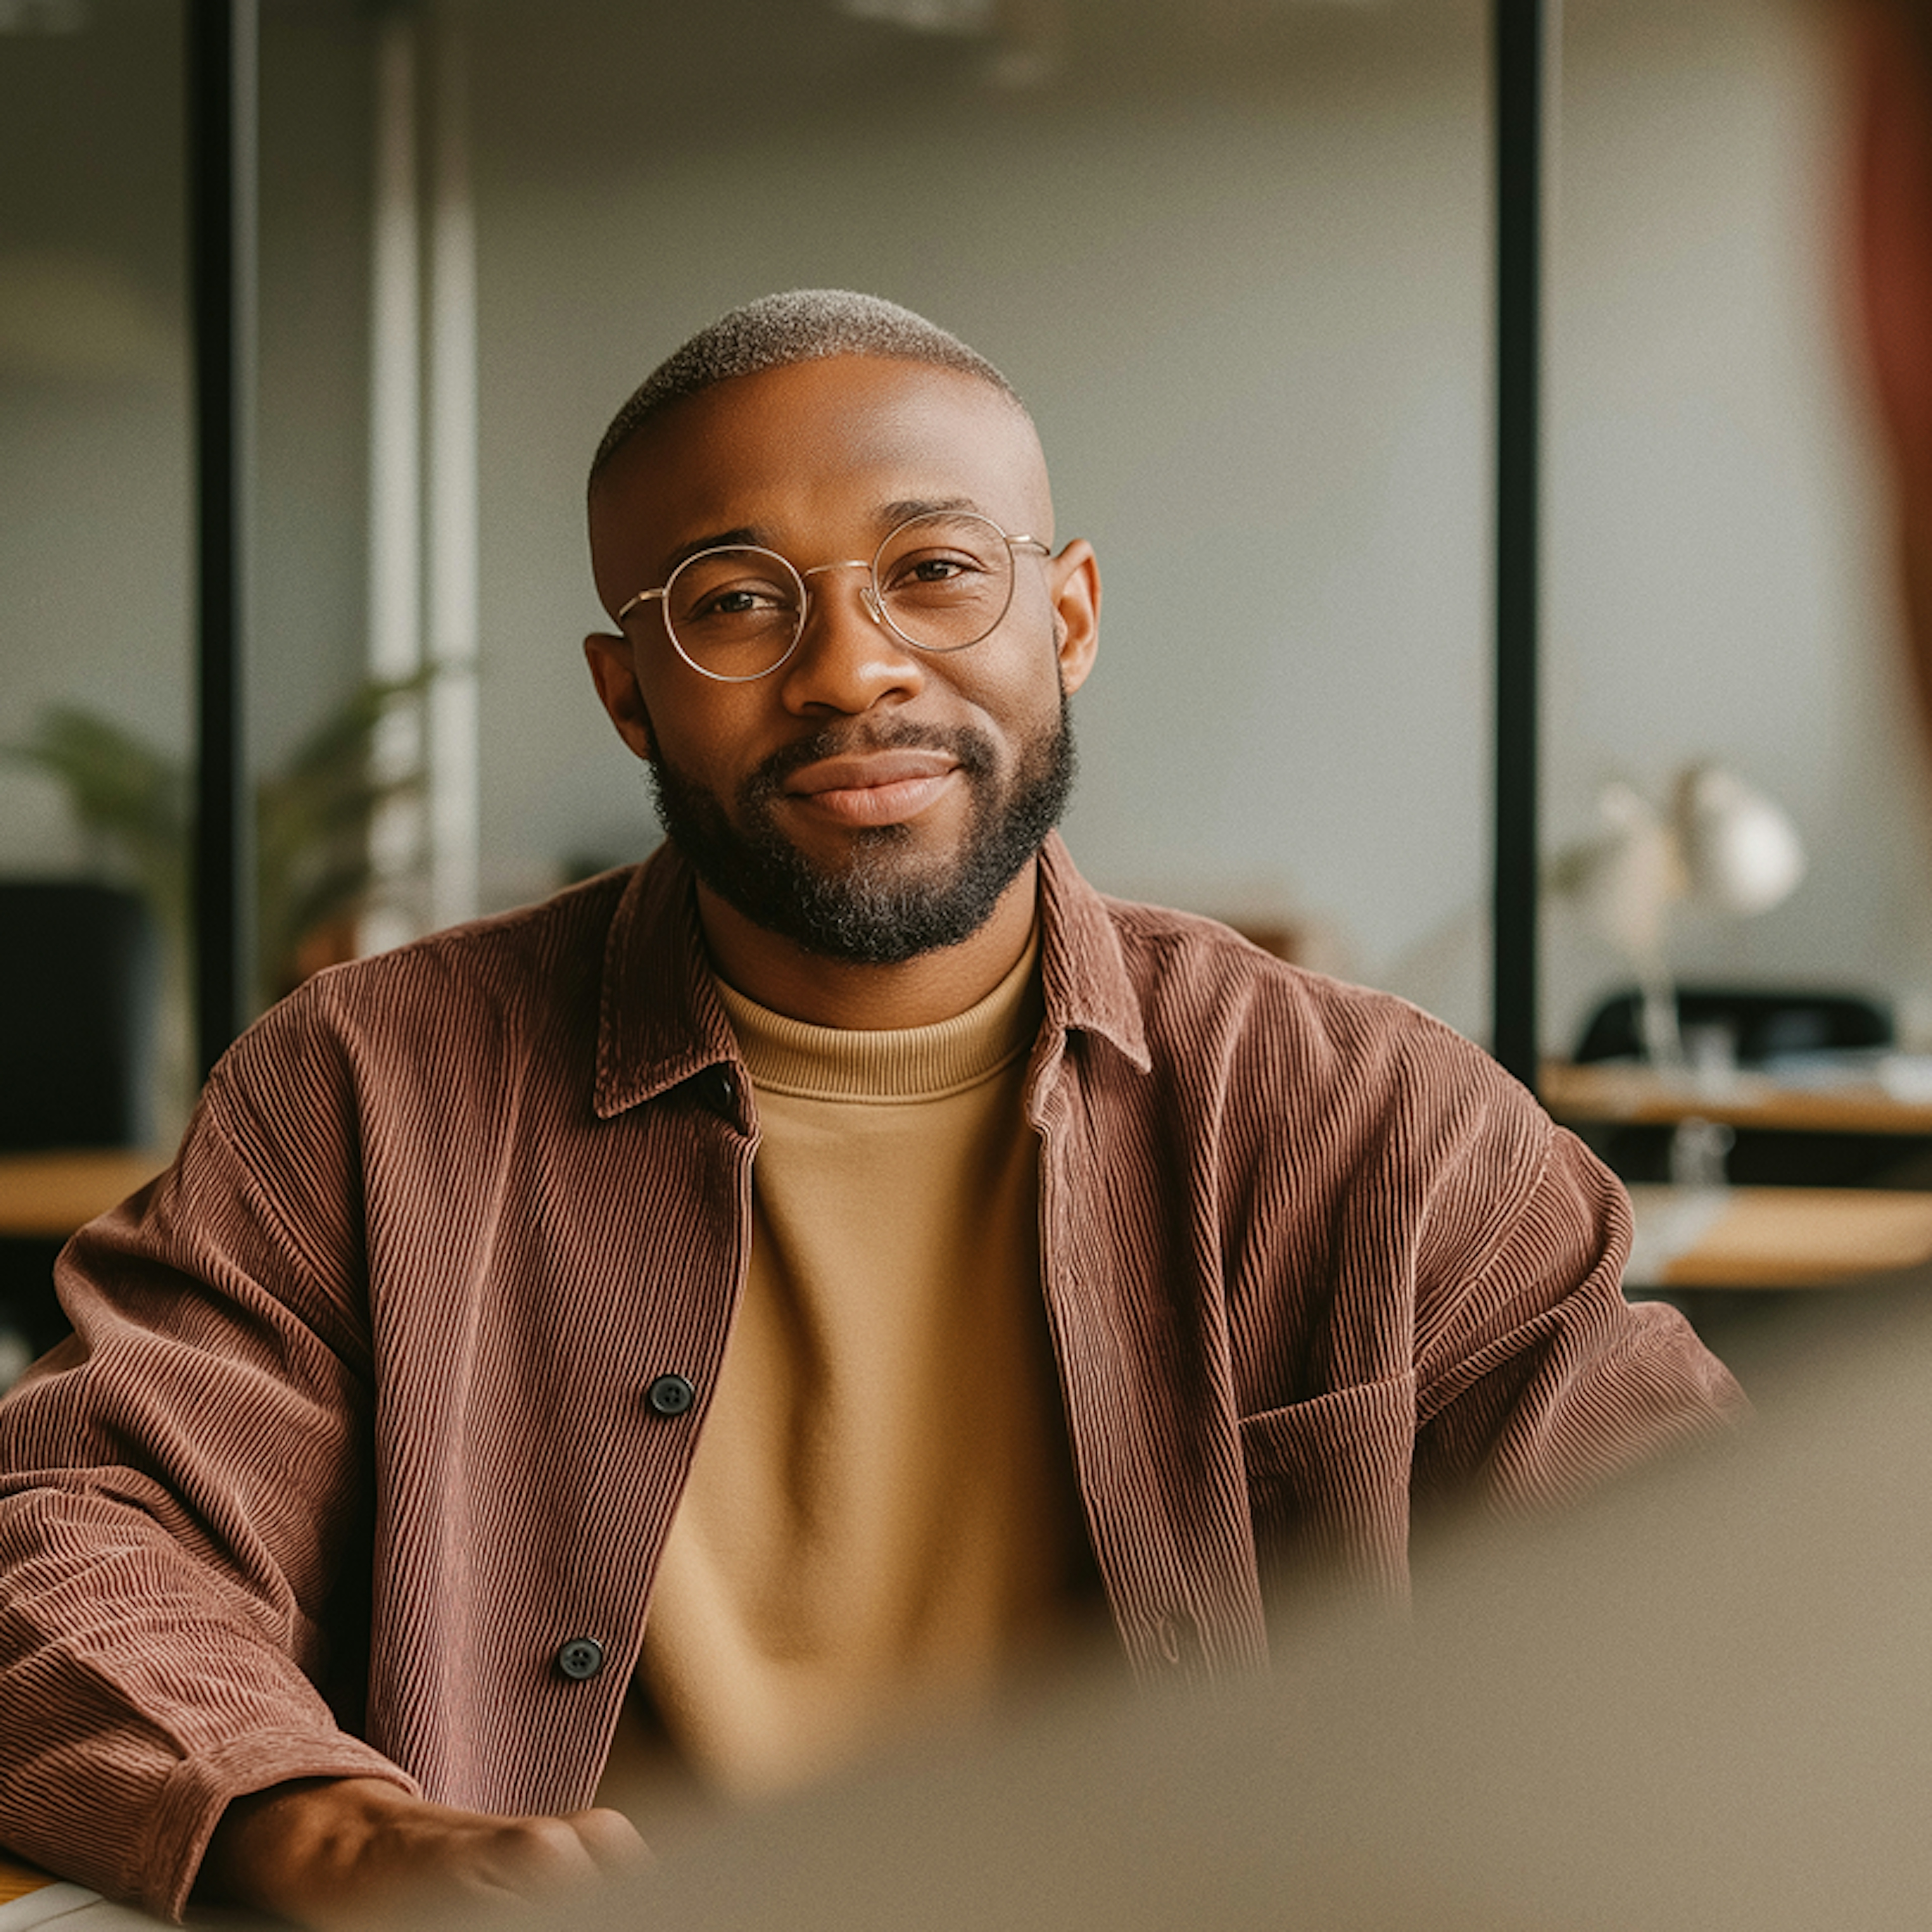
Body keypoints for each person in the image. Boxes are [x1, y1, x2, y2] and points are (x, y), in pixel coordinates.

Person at [0, 289, 1740, 1927]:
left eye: (933, 572)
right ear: (631, 693)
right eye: (739, 603)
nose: (850, 671)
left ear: (1064, 617)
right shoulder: (365, 1086)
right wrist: (329, 1828)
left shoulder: (1373, 1121)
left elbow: (1701, 1601)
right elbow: (78, 1528)